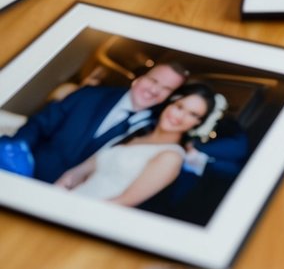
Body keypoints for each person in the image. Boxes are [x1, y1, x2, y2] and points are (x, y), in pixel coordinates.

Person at [9, 60, 188, 184]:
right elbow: (38, 125)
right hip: (27, 174)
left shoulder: (154, 130)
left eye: (166, 89)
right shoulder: (89, 95)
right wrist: (15, 159)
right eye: (153, 80)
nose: (155, 90)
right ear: (138, 79)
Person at [55, 82, 216, 207]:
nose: (180, 117)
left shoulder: (171, 157)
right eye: (179, 107)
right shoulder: (137, 131)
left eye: (193, 114)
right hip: (67, 199)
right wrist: (61, 188)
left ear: (197, 123)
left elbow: (121, 203)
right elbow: (80, 171)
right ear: (170, 103)